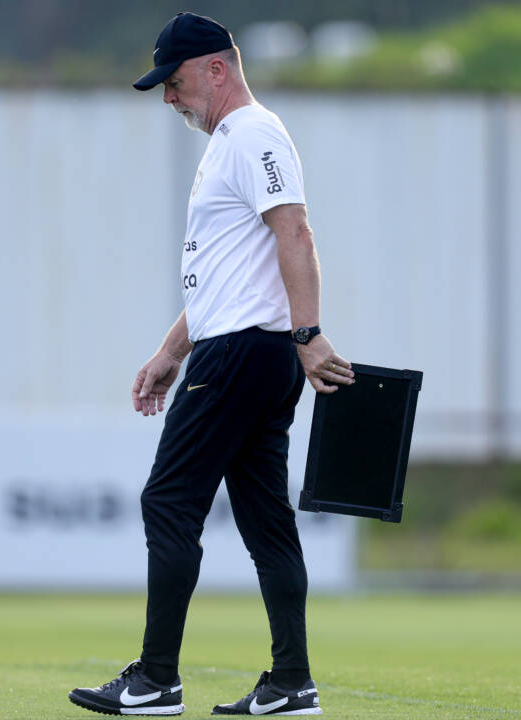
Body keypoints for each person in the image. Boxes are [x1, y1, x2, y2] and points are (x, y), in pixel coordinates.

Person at [69, 12, 353, 717]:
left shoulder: (251, 132)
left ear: (216, 69)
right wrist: (170, 351)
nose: (170, 98)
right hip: (245, 348)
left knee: (167, 500)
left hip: (242, 354)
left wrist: (309, 332)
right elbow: (230, 274)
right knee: (265, 523)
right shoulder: (232, 140)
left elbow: (295, 228)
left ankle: (157, 679)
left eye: (176, 81)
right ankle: (292, 682)